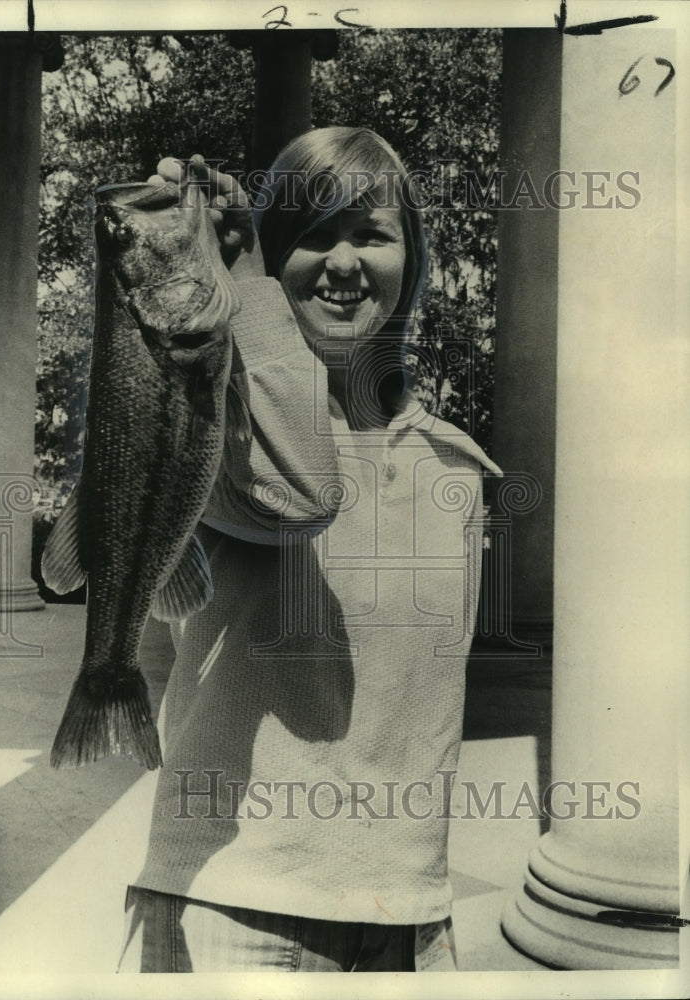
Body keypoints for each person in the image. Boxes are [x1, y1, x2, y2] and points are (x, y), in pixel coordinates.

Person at [118, 126, 502, 973]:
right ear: (262, 257)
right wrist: (224, 274)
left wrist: (418, 908)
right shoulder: (217, 439)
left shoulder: (453, 465)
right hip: (234, 904)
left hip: (407, 910)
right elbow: (301, 493)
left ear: (412, 259)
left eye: (370, 233)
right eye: (306, 236)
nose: (340, 261)